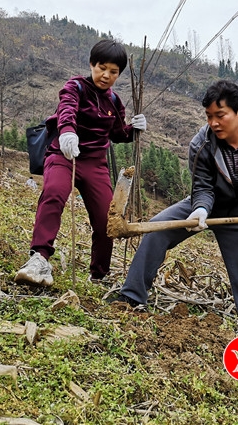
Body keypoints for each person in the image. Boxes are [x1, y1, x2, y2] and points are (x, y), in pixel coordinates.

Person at [113, 80, 238, 344]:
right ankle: (130, 297)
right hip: (204, 204)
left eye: (220, 115)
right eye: (209, 116)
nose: (213, 123)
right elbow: (202, 186)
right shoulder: (202, 143)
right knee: (157, 230)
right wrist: (199, 209)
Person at [15, 39, 147, 286]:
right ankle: (39, 259)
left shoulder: (114, 101)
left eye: (113, 72)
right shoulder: (75, 87)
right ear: (91, 64)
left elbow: (118, 133)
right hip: (64, 155)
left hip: (95, 164)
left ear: (119, 74)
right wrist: (67, 132)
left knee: (106, 219)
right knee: (54, 193)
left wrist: (134, 129)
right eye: (101, 68)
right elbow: (67, 110)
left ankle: (99, 275)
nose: (106, 75)